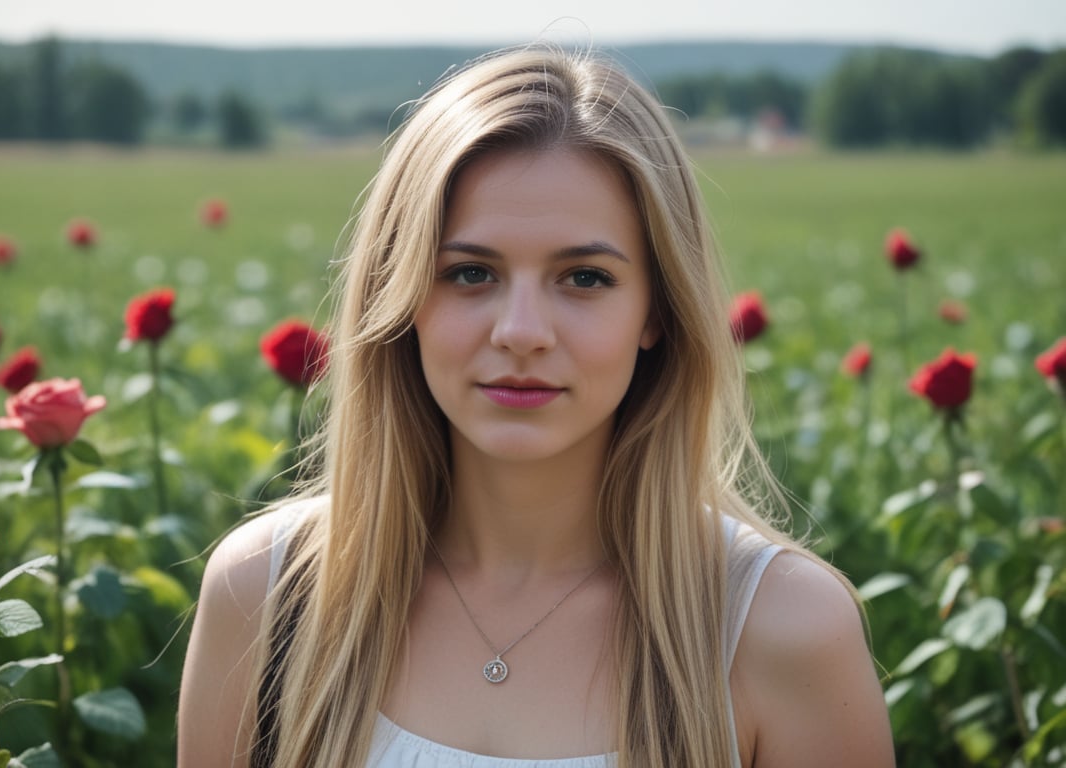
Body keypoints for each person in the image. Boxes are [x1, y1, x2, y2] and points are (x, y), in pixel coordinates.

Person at [177, 43, 896, 767]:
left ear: (657, 310)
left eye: (584, 277)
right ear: (399, 301)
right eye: (469, 272)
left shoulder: (782, 629)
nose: (521, 331)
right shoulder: (266, 596)